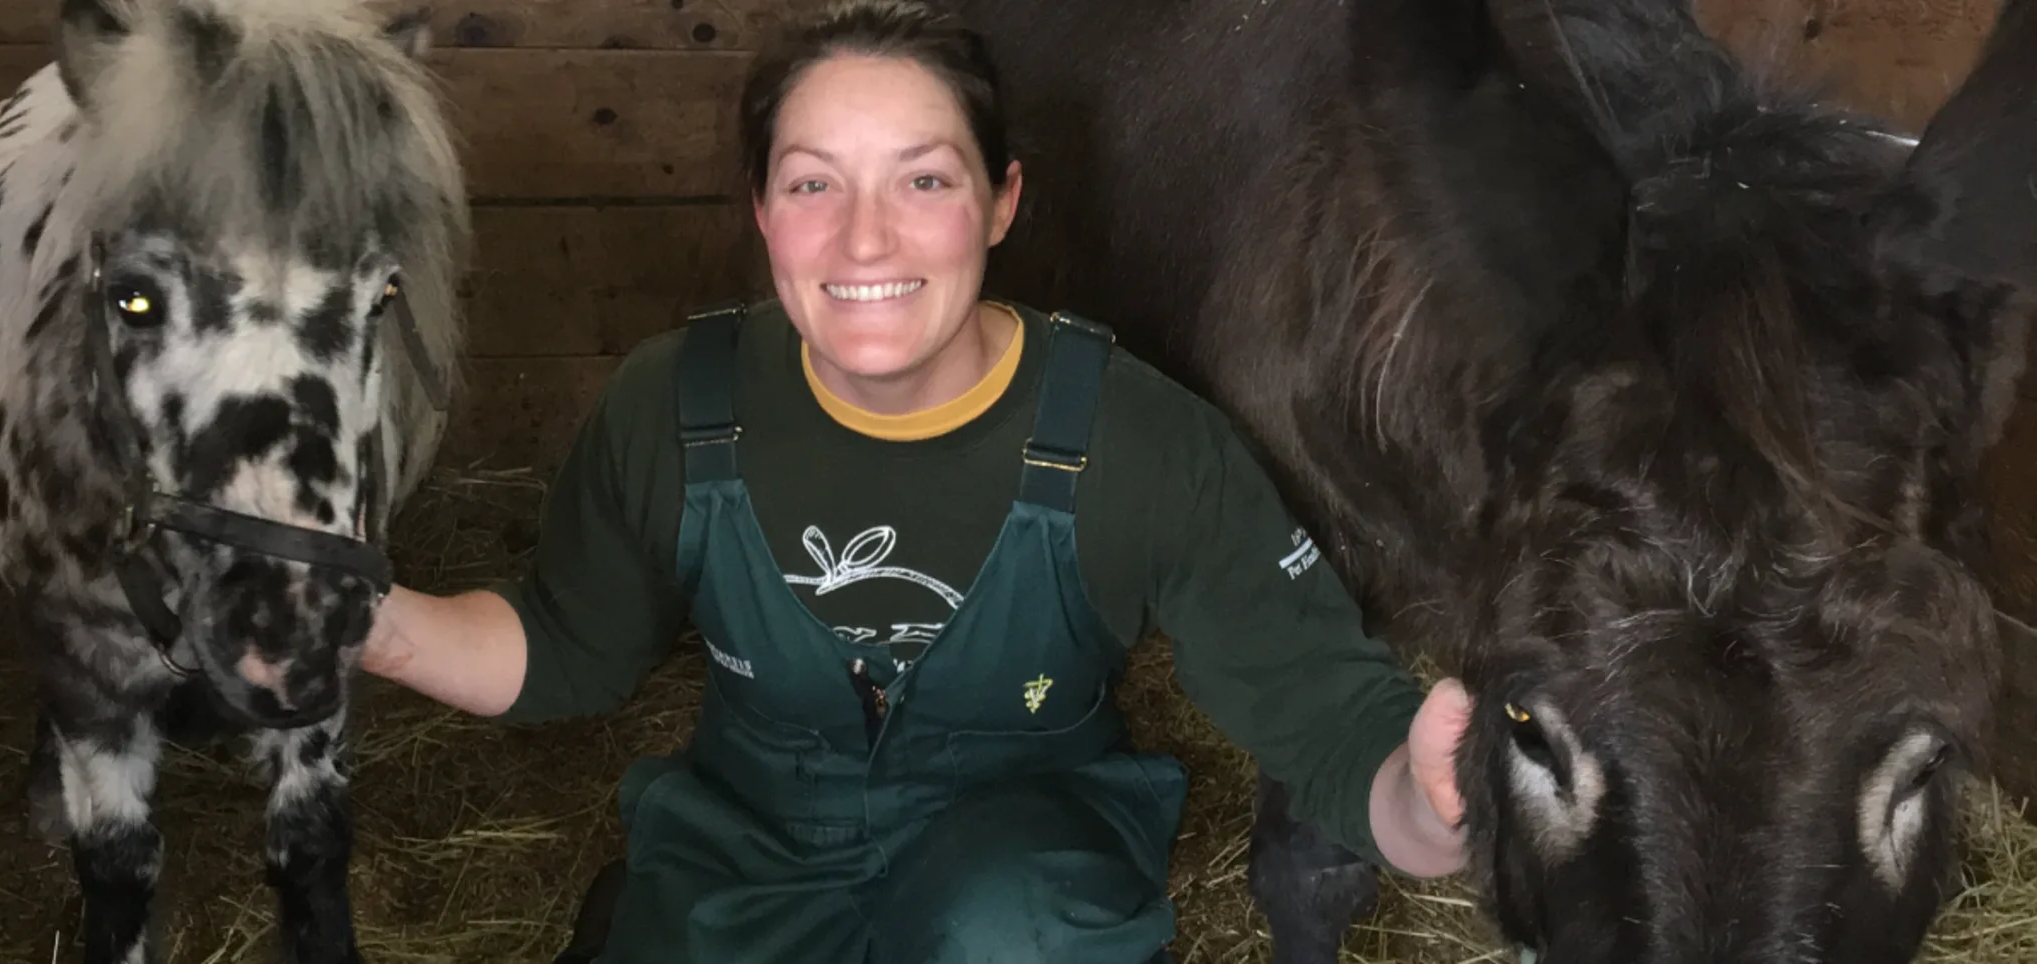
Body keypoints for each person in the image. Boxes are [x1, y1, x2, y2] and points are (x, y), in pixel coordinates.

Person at [359, 2, 1473, 961]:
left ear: (1001, 202)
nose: (865, 239)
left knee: (1014, 929)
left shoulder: (1139, 437)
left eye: (924, 178)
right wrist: (371, 624)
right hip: (748, 847)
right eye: (812, 184)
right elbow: (564, 644)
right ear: (761, 210)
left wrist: (1434, 807)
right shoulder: (677, 405)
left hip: (1023, 851)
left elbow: (1330, 720)